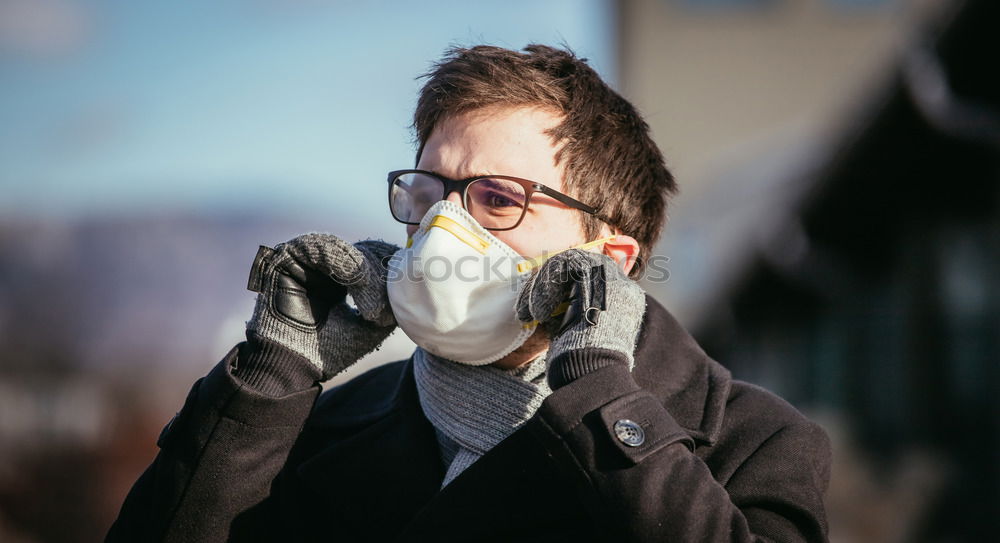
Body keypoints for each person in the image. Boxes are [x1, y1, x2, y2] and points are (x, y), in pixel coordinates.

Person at [107, 44, 830, 542]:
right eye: (430, 195)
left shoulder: (754, 441)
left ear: (608, 256)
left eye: (496, 197)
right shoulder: (315, 427)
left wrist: (601, 394)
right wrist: (272, 377)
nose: (444, 230)